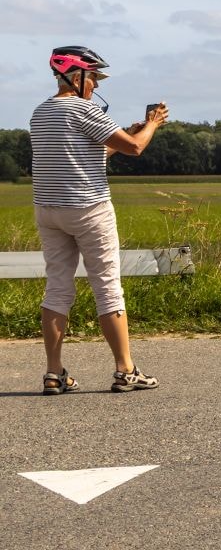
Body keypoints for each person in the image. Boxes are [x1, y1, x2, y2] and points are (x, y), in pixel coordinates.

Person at [30, 46, 169, 394]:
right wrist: (151, 125)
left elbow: (83, 151)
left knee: (57, 288)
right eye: (93, 78)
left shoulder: (40, 112)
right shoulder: (83, 108)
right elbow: (135, 148)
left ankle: (53, 373)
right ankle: (125, 369)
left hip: (49, 210)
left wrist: (127, 132)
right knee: (107, 286)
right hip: (89, 209)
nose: (94, 86)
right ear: (75, 78)